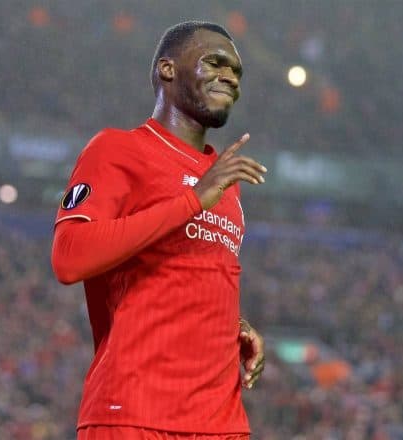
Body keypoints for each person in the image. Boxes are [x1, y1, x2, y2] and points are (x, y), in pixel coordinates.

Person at [51, 21, 267, 440]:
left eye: (237, 72)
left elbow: (181, 273)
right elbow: (69, 257)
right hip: (134, 412)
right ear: (168, 70)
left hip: (221, 421)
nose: (231, 78)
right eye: (215, 63)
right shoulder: (118, 149)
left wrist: (230, 325)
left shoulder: (224, 181)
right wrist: (191, 201)